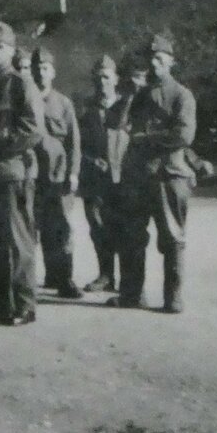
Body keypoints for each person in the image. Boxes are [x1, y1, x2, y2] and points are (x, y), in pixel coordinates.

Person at [110, 33, 197, 313]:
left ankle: (173, 298)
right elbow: (115, 122)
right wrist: (129, 96)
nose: (155, 64)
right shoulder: (140, 94)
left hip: (168, 175)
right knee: (132, 235)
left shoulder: (181, 95)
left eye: (160, 59)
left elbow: (183, 135)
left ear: (171, 62)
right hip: (138, 176)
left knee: (172, 237)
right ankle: (132, 294)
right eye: (151, 59)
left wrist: (145, 138)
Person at [0, 20, 45, 326]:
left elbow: (33, 130)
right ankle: (0, 302)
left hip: (12, 172)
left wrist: (0, 145)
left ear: (12, 50)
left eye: (0, 47)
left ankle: (25, 305)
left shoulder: (20, 84)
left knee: (18, 241)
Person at [31, 47, 83, 299]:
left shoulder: (63, 103)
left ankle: (63, 278)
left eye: (45, 68)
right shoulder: (25, 98)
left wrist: (73, 173)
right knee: (31, 226)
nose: (41, 72)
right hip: (32, 176)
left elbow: (74, 142)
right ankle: (28, 279)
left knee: (60, 228)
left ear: (53, 72)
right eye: (37, 68)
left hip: (58, 176)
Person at [78, 54, 130, 293]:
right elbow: (76, 144)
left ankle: (128, 279)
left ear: (116, 79)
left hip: (122, 179)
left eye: (107, 77)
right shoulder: (85, 109)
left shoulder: (127, 106)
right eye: (98, 78)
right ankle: (106, 275)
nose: (102, 82)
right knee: (98, 228)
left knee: (124, 227)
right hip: (94, 179)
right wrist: (91, 161)